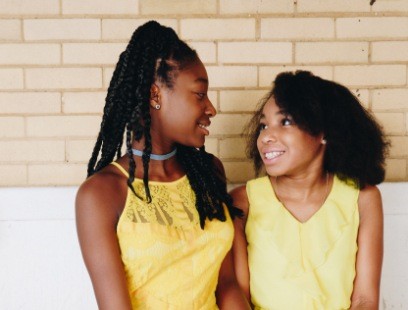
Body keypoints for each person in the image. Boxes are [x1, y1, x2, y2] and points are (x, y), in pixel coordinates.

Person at [75, 20, 249, 309]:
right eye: (199, 94)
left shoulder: (209, 173)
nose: (211, 109)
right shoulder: (101, 194)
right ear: (155, 94)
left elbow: (227, 285)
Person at [231, 70, 389, 309]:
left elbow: (365, 299)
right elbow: (239, 296)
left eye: (285, 122)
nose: (265, 137)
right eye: (263, 125)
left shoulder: (363, 198)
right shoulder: (243, 201)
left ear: (323, 132)